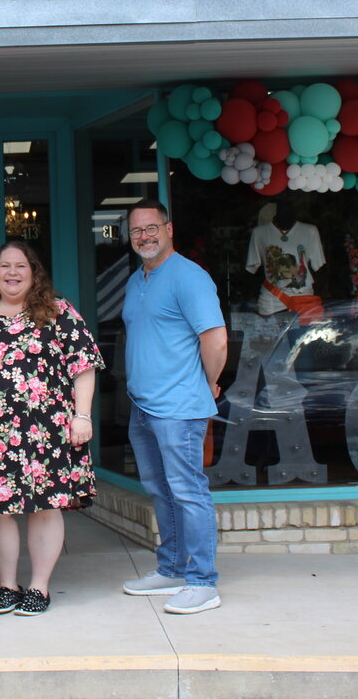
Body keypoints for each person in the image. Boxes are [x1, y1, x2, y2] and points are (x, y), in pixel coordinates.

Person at [0, 239, 102, 617]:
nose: (12, 273)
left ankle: (39, 587)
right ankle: (7, 586)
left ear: (34, 273)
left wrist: (83, 415)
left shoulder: (58, 312)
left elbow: (84, 366)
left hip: (49, 430)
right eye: (4, 266)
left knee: (45, 507)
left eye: (21, 266)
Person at [119, 200, 229, 615]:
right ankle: (172, 568)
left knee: (187, 492)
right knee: (161, 490)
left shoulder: (189, 276)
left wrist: (209, 382)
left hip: (179, 408)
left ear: (168, 228)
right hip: (143, 406)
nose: (144, 236)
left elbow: (215, 340)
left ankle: (203, 581)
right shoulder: (137, 280)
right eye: (136, 231)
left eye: (151, 228)